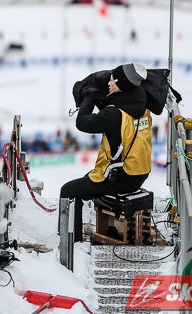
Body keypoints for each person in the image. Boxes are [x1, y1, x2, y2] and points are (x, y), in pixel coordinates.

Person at [60, 63, 152, 242]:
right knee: (85, 181)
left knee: (70, 191)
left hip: (123, 176)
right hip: (140, 170)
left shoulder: (114, 115)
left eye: (113, 81)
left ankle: (70, 241)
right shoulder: (141, 101)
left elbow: (83, 123)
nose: (109, 83)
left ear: (121, 86)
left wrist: (89, 96)